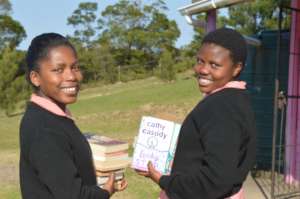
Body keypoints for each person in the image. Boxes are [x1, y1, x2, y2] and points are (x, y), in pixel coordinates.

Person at [136, 28, 256, 199]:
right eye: (200, 61)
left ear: (237, 68)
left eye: (214, 65)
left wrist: (165, 181)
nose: (203, 70)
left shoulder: (221, 106)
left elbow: (216, 180)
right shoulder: (235, 99)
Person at [19, 33, 127, 199]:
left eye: (75, 67)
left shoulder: (53, 117)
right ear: (35, 78)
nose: (72, 76)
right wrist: (105, 191)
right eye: (58, 70)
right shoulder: (44, 128)